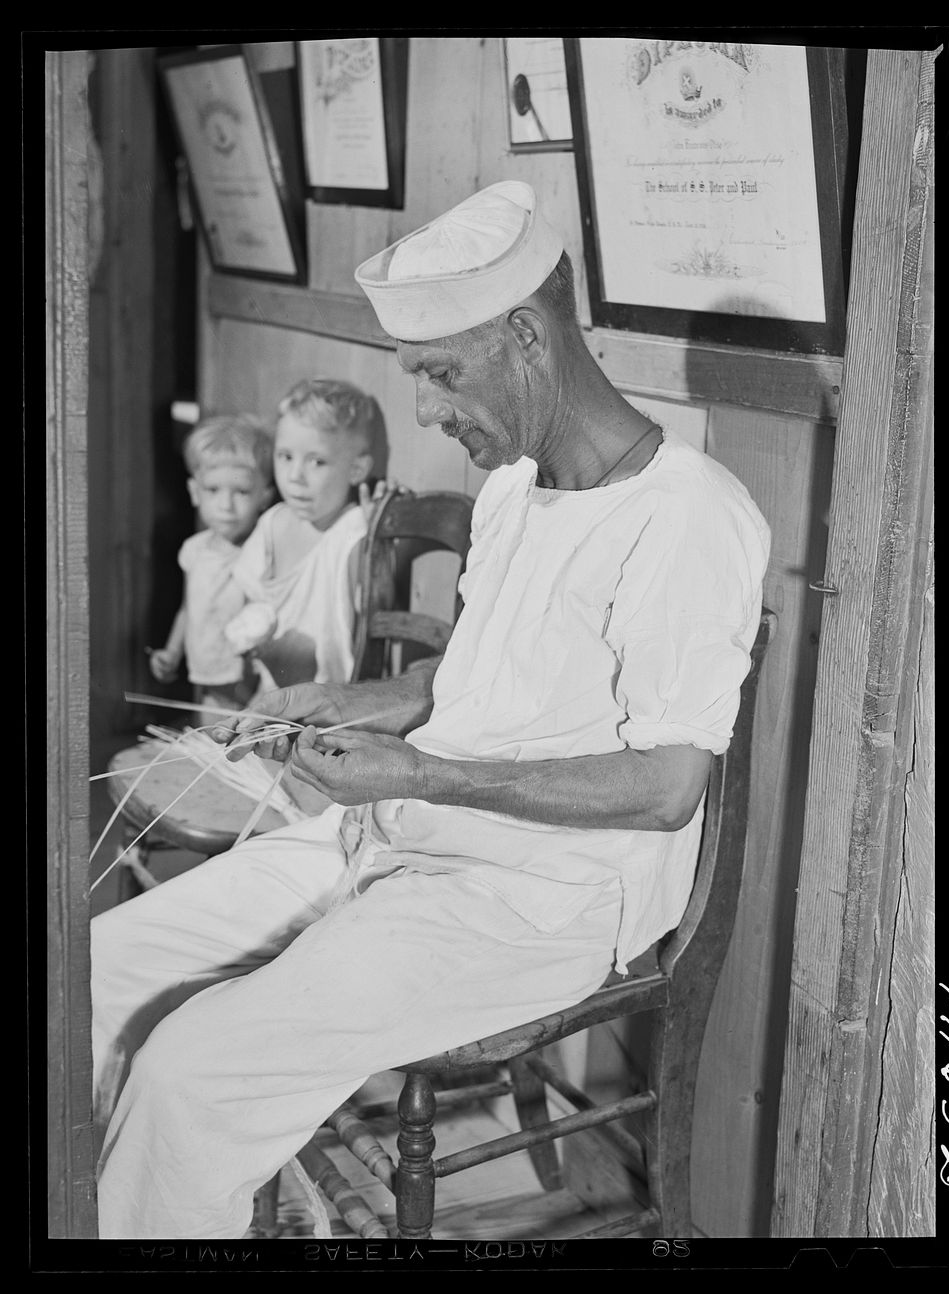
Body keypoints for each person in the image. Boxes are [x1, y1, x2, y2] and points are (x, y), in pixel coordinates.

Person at [91, 180, 771, 1240]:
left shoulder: (688, 516)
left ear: (526, 336)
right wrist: (353, 701)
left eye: (440, 374)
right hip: (405, 832)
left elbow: (667, 786)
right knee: (93, 974)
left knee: (192, 1074)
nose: (426, 410)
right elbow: (472, 679)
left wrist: (421, 774)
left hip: (537, 897)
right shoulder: (514, 485)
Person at [224, 378, 384, 692]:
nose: (295, 476)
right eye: (285, 457)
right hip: (269, 696)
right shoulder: (273, 522)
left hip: (327, 703)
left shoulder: (353, 530)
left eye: (317, 461)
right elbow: (246, 601)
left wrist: (378, 518)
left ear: (356, 470)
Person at [148, 414, 274, 723]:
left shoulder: (263, 550)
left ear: (264, 497)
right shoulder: (194, 550)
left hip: (248, 675)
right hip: (205, 665)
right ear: (194, 492)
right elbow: (189, 608)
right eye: (213, 490)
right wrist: (172, 651)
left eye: (241, 492)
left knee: (242, 734)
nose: (225, 505)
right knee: (211, 730)